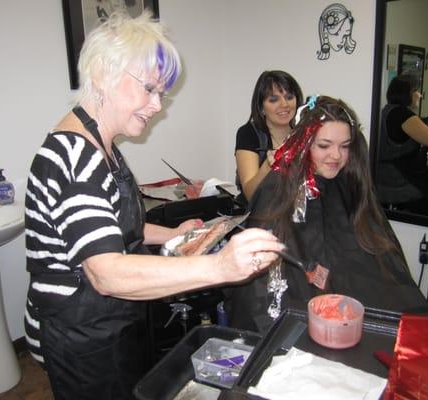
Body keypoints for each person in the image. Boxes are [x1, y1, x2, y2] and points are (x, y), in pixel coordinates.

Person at [23, 11, 284, 400]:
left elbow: (117, 227)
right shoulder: (76, 157)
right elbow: (106, 273)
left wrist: (175, 233)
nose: (157, 105)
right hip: (80, 334)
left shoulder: (103, 146)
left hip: (111, 320)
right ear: (102, 75)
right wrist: (219, 266)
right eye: (148, 89)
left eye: (161, 93)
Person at [224, 95, 428, 333]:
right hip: (298, 302)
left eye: (345, 146)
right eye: (324, 146)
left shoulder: (350, 182)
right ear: (304, 143)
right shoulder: (278, 187)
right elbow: (263, 280)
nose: (336, 156)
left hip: (353, 298)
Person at [376, 74, 428, 219]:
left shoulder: (388, 111)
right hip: (401, 182)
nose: (420, 95)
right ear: (406, 94)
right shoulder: (403, 115)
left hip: (385, 180)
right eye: (416, 91)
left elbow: (422, 134)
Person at [235, 70, 303, 205]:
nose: (284, 104)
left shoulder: (303, 133)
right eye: (273, 99)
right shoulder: (248, 133)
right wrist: (267, 166)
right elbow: (250, 195)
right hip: (257, 215)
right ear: (261, 106)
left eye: (289, 97)